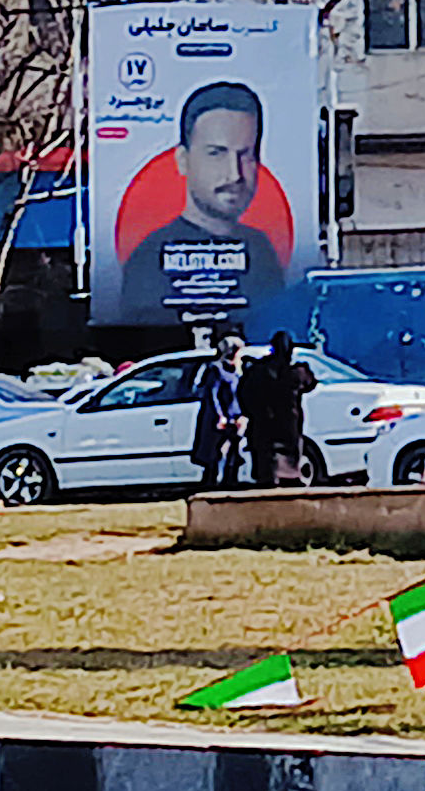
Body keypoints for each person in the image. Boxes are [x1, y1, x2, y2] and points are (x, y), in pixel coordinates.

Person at [112, 81, 290, 323]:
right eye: (216, 153)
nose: (234, 174)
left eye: (245, 154)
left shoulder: (262, 252)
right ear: (183, 160)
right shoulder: (149, 259)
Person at [237, 331, 316, 487]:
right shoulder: (296, 373)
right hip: (289, 422)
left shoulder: (258, 371)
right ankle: (290, 477)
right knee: (289, 454)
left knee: (265, 458)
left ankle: (270, 481)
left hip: (263, 421)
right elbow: (311, 383)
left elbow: (243, 392)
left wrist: (250, 412)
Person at [188, 333, 248, 490]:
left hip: (236, 417)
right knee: (215, 453)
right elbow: (212, 395)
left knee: (235, 451)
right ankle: (211, 484)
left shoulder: (237, 371)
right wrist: (220, 416)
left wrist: (242, 415)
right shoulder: (216, 370)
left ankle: (230, 482)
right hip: (219, 419)